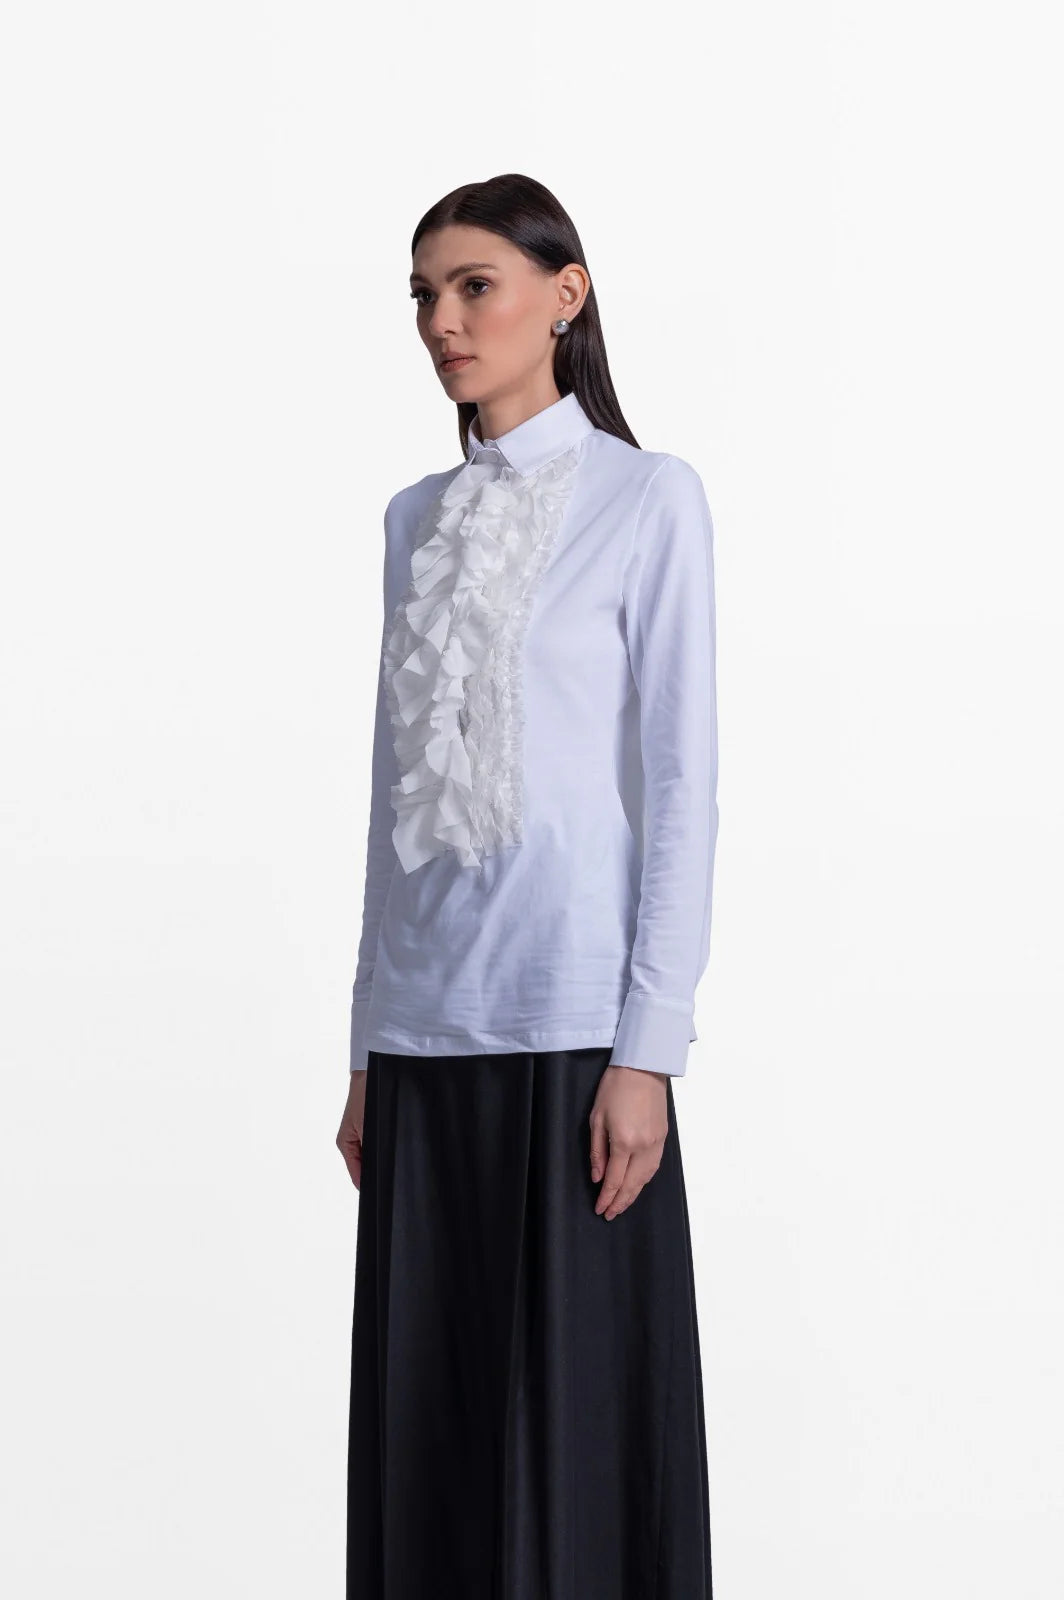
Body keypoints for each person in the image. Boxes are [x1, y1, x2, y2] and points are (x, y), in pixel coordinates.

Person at [336, 172, 720, 1600]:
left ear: (565, 296)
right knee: (430, 1452)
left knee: (575, 1443)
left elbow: (681, 787)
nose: (443, 320)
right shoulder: (411, 520)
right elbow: (391, 807)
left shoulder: (648, 499)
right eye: (424, 295)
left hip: (574, 1036)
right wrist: (366, 1046)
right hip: (422, 1040)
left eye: (473, 286)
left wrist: (648, 1050)